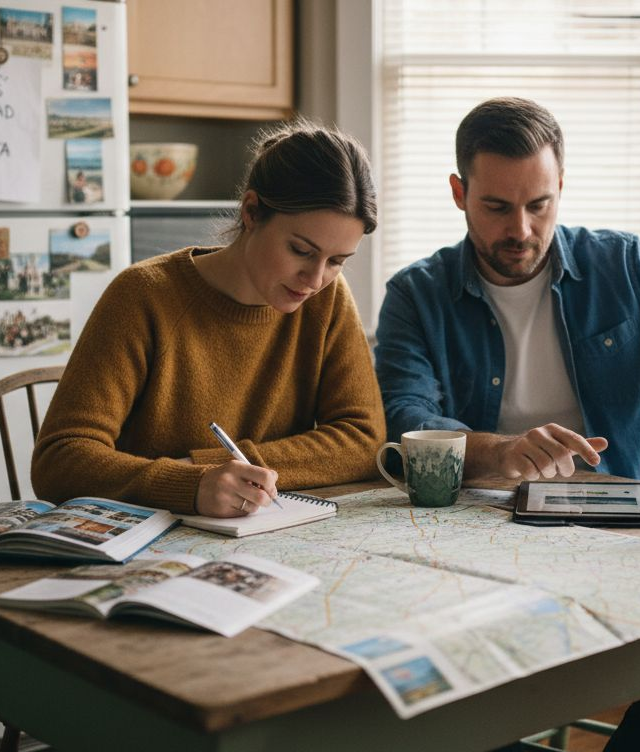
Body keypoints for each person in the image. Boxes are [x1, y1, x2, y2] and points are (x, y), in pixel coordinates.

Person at [374, 97, 640, 752]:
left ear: (561, 185)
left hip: (633, 542)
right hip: (478, 553)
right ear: (458, 193)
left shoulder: (619, 264)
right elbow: (407, 419)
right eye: (496, 207)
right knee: (451, 707)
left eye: (539, 204)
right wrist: (504, 452)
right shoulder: (415, 295)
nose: (522, 228)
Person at [33, 120, 384, 518]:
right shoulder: (142, 295)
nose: (316, 279)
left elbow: (363, 440)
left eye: (337, 261)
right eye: (301, 250)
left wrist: (216, 467)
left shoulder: (329, 300)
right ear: (252, 211)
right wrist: (190, 484)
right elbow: (59, 461)